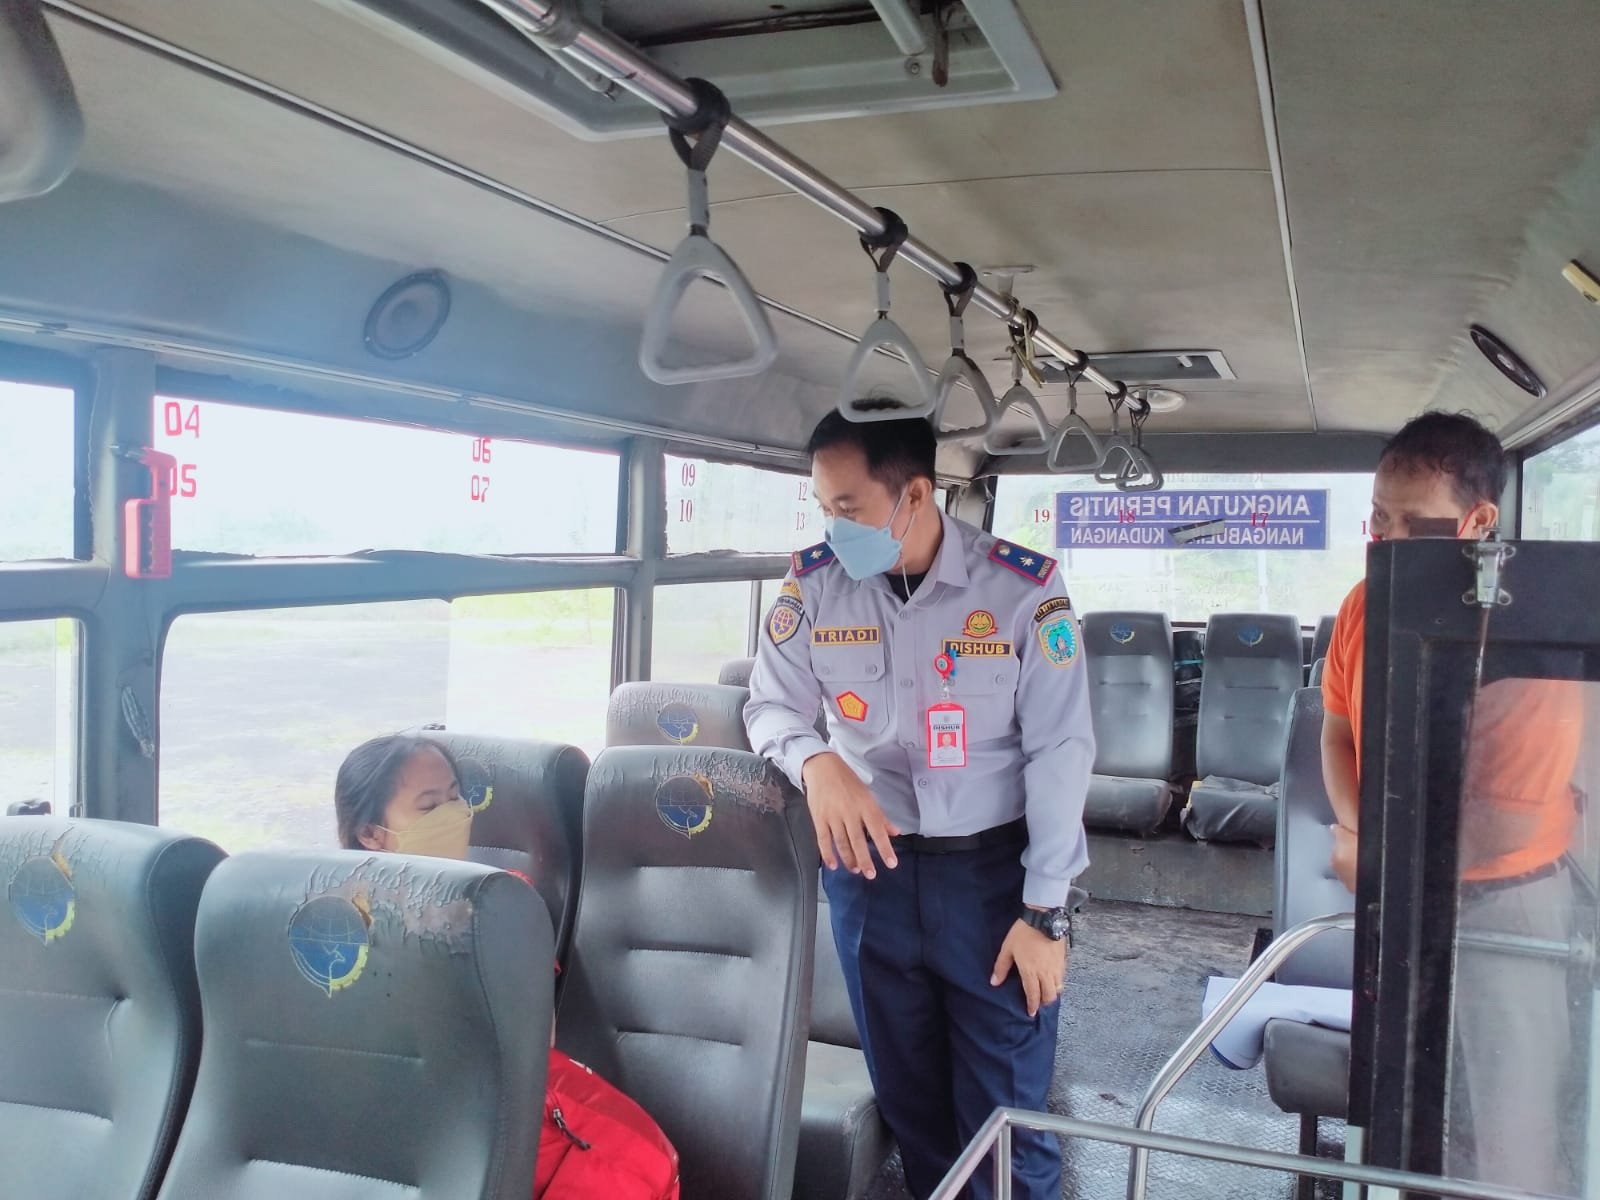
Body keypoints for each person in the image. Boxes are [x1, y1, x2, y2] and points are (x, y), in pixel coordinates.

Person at [744, 411, 1094, 1200]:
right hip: (872, 881)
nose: (832, 530)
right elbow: (769, 706)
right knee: (913, 1108)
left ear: (915, 495)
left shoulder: (1022, 589)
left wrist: (1046, 914)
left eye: (847, 509)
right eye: (822, 509)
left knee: (1006, 1118)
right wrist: (817, 760)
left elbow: (1062, 752)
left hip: (994, 881)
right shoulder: (813, 585)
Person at [1320, 411, 1584, 1193]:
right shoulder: (1366, 603)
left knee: (1507, 1133)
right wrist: (1360, 832)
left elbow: (1500, 816)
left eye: (1416, 525)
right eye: (1377, 517)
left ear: (1479, 522)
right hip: (1400, 893)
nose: (1388, 540)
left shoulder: (1531, 635)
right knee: (1404, 1116)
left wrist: (1377, 863)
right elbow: (1338, 733)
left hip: (1507, 909)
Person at [335, 735, 681, 1200]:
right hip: (376, 1116)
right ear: (371, 833)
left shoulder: (502, 905)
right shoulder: (331, 922)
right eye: (429, 806)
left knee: (643, 1166)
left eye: (455, 796)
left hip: (494, 1106)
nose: (453, 813)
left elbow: (533, 1042)